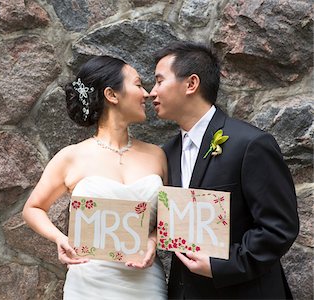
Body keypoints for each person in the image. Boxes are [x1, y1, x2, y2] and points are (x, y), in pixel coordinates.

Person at [149, 41, 299, 299]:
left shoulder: (250, 144)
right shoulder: (168, 152)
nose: (152, 92)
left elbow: (279, 227)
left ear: (191, 84)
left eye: (159, 81)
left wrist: (222, 266)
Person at [23, 56, 168, 299]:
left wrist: (152, 241)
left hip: (146, 282)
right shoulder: (72, 157)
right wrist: (61, 239)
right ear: (112, 95)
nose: (146, 94)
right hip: (89, 283)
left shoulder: (157, 155)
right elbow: (33, 208)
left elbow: (171, 218)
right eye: (138, 84)